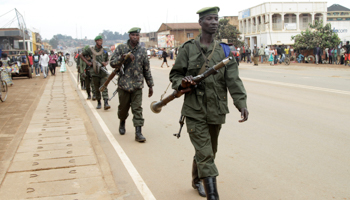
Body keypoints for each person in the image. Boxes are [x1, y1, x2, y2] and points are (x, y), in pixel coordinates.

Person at [169, 7, 248, 199]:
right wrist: (182, 83)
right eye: (209, 19)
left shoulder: (224, 50)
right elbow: (175, 74)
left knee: (209, 151)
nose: (214, 22)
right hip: (194, 110)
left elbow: (233, 80)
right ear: (201, 23)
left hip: (216, 109)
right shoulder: (188, 48)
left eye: (216, 19)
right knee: (205, 153)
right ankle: (214, 196)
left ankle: (197, 179)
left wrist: (241, 103)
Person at [110, 27, 154, 142]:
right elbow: (112, 63)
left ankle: (138, 133)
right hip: (124, 85)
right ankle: (122, 122)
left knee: (137, 109)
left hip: (137, 85)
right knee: (123, 109)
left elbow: (146, 69)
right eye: (133, 35)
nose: (135, 37)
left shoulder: (143, 50)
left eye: (137, 35)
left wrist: (150, 85)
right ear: (129, 36)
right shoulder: (121, 48)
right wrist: (124, 57)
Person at [80, 36, 110, 110]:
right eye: (99, 40)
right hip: (94, 71)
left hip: (103, 72)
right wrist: (88, 63)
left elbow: (107, 60)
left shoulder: (104, 50)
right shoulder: (91, 50)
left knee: (104, 86)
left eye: (101, 40)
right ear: (96, 41)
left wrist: (105, 63)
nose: (100, 42)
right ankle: (99, 102)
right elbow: (81, 55)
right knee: (96, 88)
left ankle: (106, 102)